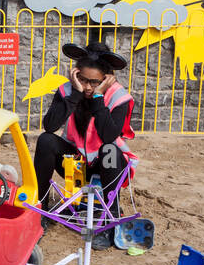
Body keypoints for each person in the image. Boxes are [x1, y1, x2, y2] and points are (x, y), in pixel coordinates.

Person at [33, 43, 137, 232]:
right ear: (75, 74)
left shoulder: (119, 97)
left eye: (94, 82)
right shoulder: (68, 90)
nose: (87, 86)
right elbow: (50, 126)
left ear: (107, 79)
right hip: (77, 163)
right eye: (82, 79)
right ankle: (41, 209)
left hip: (108, 165)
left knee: (110, 150)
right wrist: (75, 95)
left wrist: (98, 97)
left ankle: (110, 220)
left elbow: (108, 137)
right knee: (46, 140)